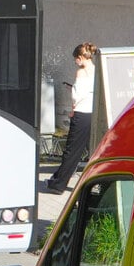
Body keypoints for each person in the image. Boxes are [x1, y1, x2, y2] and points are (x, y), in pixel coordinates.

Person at [46, 42, 98, 193]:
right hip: (92, 113)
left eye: (75, 58)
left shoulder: (81, 72)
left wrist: (72, 107)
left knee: (72, 150)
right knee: (90, 150)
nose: (75, 61)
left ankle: (59, 184)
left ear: (81, 57)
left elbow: (77, 96)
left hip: (81, 113)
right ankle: (92, 183)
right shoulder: (96, 70)